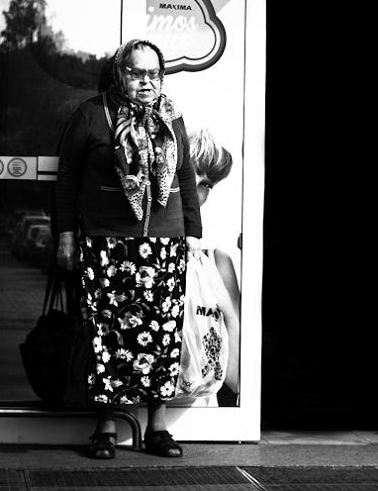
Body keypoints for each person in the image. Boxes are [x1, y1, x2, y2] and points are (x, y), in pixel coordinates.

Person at [55, 38, 202, 459]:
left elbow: (185, 175)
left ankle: (157, 427)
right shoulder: (92, 114)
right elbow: (67, 178)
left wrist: (193, 231)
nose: (146, 81)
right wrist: (65, 234)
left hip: (164, 243)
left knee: (161, 336)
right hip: (107, 242)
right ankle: (106, 427)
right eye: (136, 72)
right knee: (107, 335)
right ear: (120, 74)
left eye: (153, 73)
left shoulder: (171, 115)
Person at [187, 127, 240, 405]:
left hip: (202, 410)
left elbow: (237, 376)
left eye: (207, 184)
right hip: (145, 411)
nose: (197, 187)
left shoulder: (217, 261)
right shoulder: (144, 255)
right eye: (189, 174)